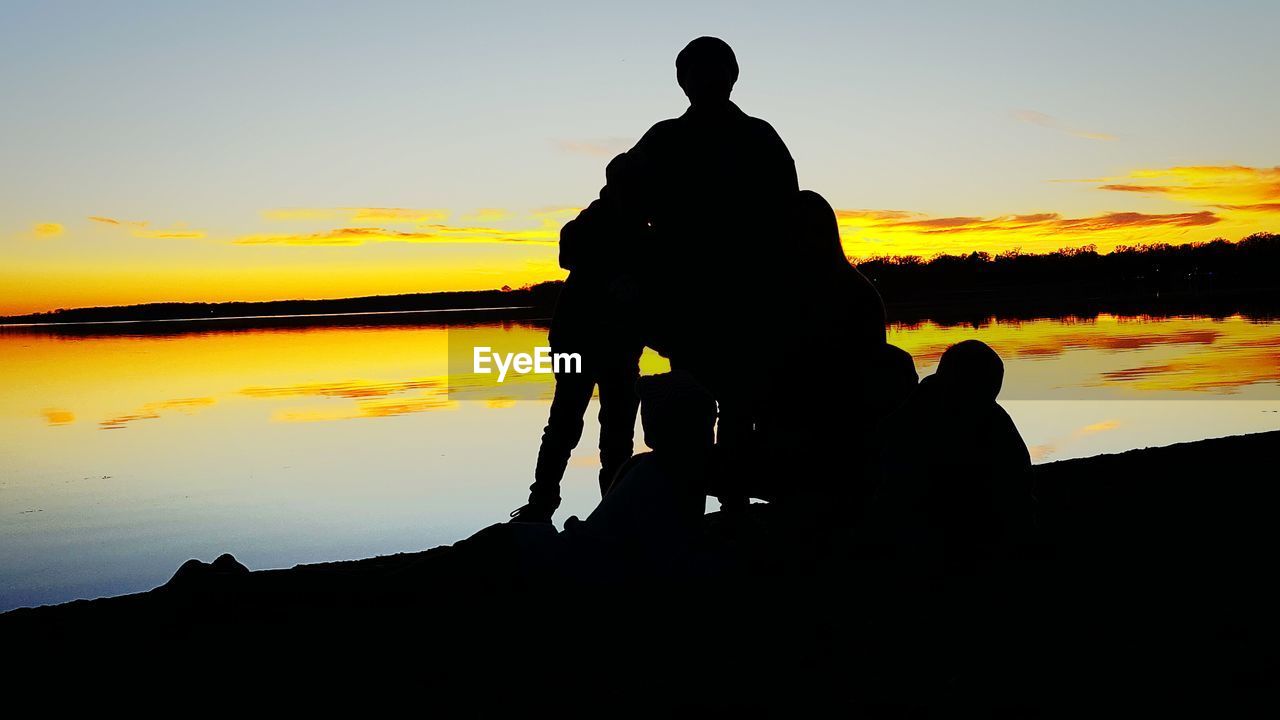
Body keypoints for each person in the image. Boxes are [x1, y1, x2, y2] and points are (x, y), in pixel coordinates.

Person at [612, 36, 800, 511]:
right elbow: (622, 194)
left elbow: (788, 217)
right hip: (689, 300)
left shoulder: (756, 137)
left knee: (738, 407)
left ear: (731, 76)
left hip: (744, 297)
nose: (704, 82)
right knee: (698, 408)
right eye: (696, 73)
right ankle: (701, 511)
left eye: (711, 72)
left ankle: (729, 508)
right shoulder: (670, 138)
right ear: (684, 82)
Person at [510, 154, 647, 523]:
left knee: (616, 434)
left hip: (619, 347)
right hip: (577, 342)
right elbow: (570, 255)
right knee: (565, 424)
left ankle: (612, 509)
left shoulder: (641, 228)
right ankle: (541, 505)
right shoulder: (585, 226)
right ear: (615, 187)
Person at [868, 340, 1035, 576]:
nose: (985, 401)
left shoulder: (992, 419)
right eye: (981, 391)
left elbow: (1019, 485)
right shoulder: (909, 422)